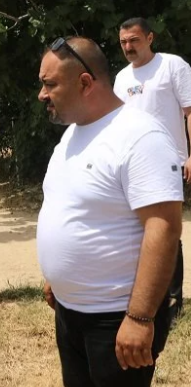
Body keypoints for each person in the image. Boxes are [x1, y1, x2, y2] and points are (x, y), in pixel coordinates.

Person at [37, 36, 182, 387]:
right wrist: (58, 277)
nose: (42, 94)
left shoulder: (139, 135)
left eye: (50, 84)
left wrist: (139, 318)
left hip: (117, 315)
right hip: (71, 311)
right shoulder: (72, 133)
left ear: (85, 83)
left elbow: (164, 227)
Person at [113, 16, 191, 321]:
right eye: (123, 42)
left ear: (150, 38)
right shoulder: (121, 78)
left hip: (168, 160)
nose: (129, 47)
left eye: (134, 40)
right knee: (135, 230)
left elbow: (189, 112)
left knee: (166, 230)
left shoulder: (173, 66)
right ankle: (144, 294)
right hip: (131, 165)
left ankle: (173, 301)